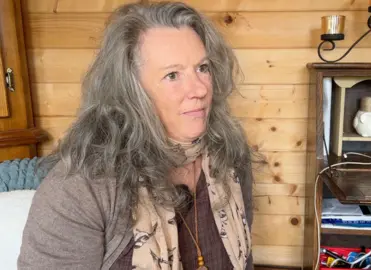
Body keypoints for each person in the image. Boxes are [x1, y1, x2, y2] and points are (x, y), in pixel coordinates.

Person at [18, 2, 257, 269]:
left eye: (202, 68)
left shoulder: (230, 157)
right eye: (172, 75)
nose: (199, 89)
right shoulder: (79, 188)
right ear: (131, 92)